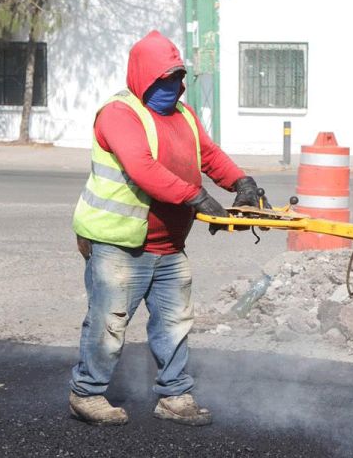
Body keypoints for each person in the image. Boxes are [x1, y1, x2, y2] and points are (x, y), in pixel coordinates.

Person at [68, 30, 266, 426]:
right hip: (119, 243)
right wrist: (195, 197)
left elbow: (209, 156)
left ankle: (174, 395)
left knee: (176, 323)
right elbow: (143, 168)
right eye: (164, 79)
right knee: (109, 322)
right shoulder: (119, 114)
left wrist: (242, 183)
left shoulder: (185, 115)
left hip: (170, 246)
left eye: (178, 78)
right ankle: (86, 393)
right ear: (143, 78)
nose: (174, 87)